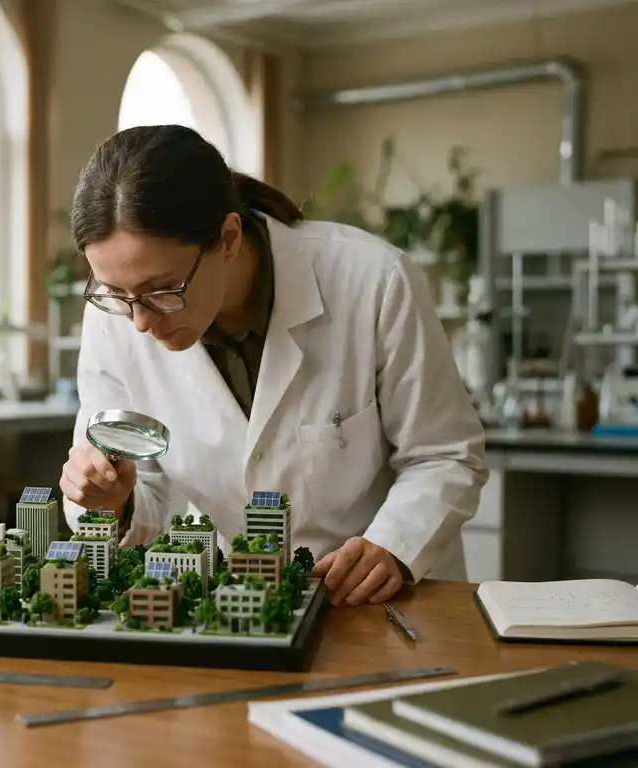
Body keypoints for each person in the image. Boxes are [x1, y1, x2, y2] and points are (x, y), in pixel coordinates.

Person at [59, 124, 488, 607]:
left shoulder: (373, 281)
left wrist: (393, 545)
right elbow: (148, 496)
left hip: (381, 601)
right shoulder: (114, 320)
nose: (138, 321)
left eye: (164, 290)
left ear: (227, 238)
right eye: (116, 293)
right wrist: (112, 501)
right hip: (247, 601)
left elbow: (444, 453)